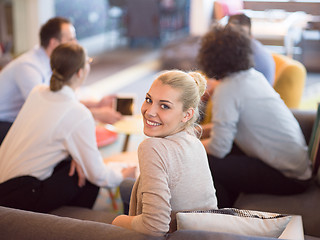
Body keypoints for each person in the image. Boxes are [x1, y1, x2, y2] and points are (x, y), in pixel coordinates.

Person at [0, 43, 136, 213]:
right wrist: (123, 175)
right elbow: (98, 175)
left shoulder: (38, 91)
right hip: (20, 194)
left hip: (4, 182)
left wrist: (76, 158)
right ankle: (73, 220)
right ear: (80, 72)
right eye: (88, 62)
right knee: (86, 176)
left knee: (78, 164)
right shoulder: (79, 114)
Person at [197, 24, 312, 208]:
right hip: (299, 168)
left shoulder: (227, 91)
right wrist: (197, 131)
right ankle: (224, 206)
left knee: (203, 160)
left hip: (288, 178)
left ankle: (219, 211)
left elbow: (219, 148)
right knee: (216, 156)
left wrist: (188, 144)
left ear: (209, 58)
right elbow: (226, 129)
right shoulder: (252, 76)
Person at [112, 70, 218, 236]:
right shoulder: (195, 142)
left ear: (187, 114)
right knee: (127, 185)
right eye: (149, 100)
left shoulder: (152, 147)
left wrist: (117, 222)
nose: (149, 112)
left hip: (173, 235)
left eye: (164, 106)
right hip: (205, 232)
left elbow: (155, 226)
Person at [0, 17, 121, 144]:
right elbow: (47, 111)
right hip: (4, 122)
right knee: (61, 136)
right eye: (71, 39)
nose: (76, 42)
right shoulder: (28, 67)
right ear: (54, 43)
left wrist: (96, 104)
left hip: (21, 119)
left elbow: (61, 100)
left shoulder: (50, 62)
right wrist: (96, 114)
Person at [227, 13, 275, 85]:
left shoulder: (248, 54)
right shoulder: (250, 47)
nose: (235, 39)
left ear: (250, 36)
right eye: (231, 34)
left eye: (241, 34)